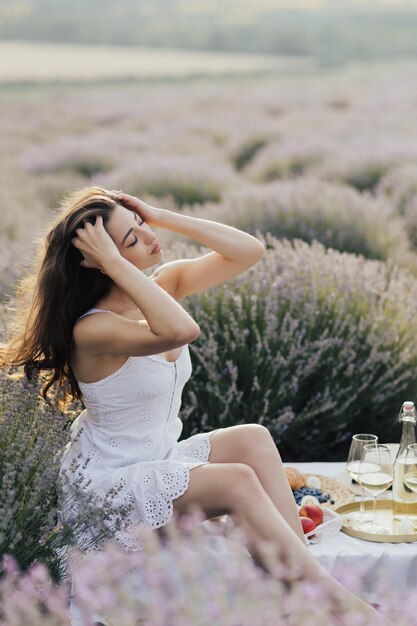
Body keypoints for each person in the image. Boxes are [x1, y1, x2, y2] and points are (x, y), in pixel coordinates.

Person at [1, 186, 390, 624]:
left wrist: (161, 215)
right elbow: (180, 330)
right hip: (109, 485)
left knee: (253, 439)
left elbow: (249, 250)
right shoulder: (93, 330)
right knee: (238, 480)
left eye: (140, 226)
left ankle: (298, 581)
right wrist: (112, 261)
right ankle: (344, 610)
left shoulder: (159, 286)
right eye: (131, 240)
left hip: (155, 459)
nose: (149, 239)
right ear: (99, 262)